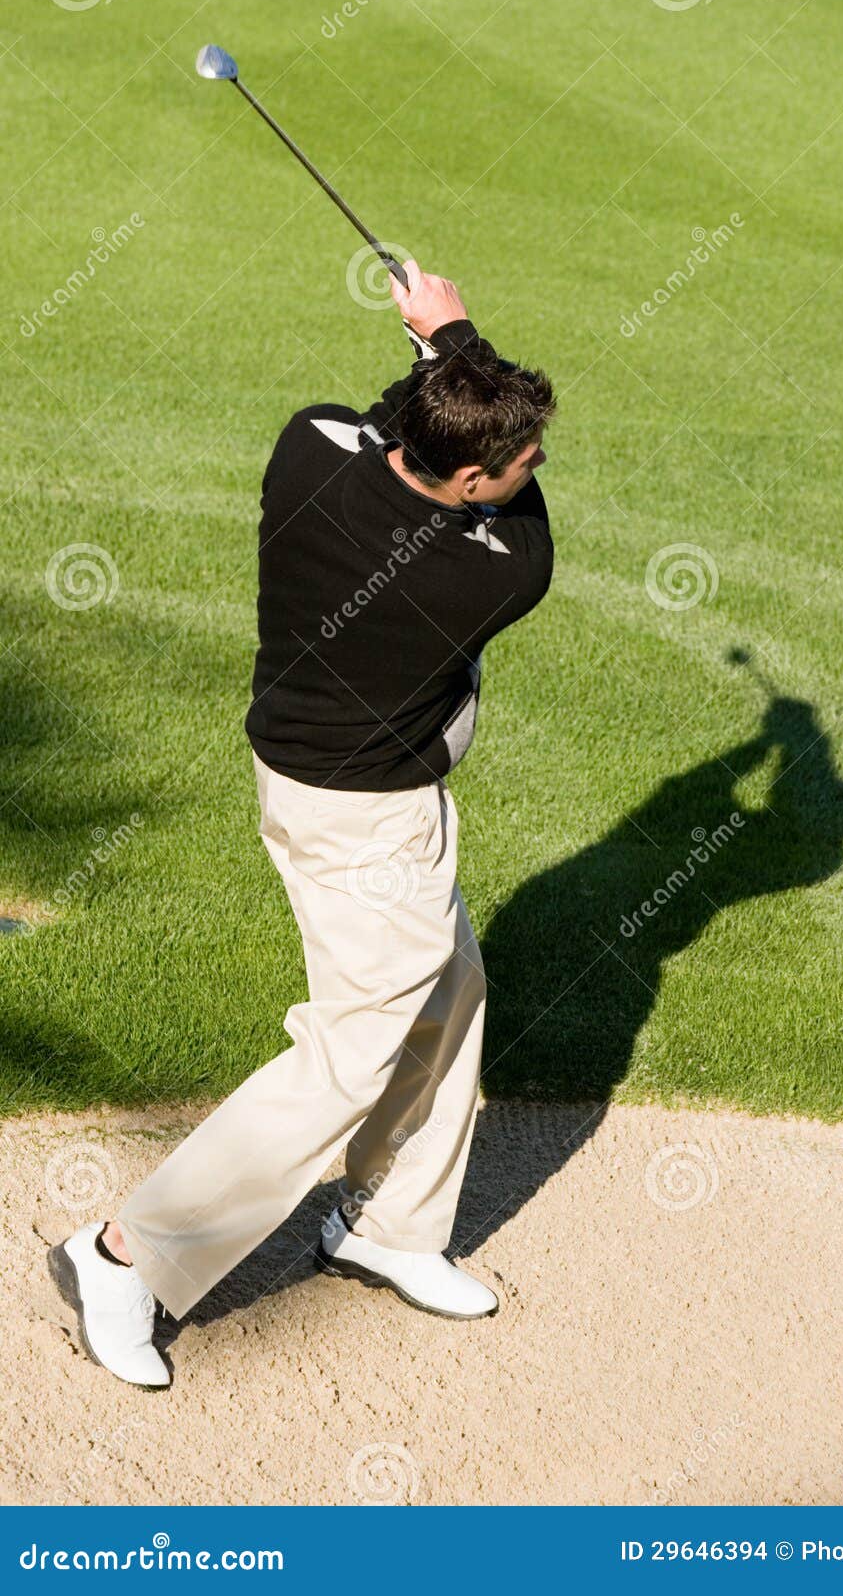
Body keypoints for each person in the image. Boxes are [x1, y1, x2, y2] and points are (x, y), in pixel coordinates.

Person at [49, 264, 556, 1388]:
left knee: (449, 989)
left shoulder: (307, 446)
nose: (538, 472)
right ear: (473, 476)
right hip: (368, 822)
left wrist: (443, 351)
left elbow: (382, 421)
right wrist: (453, 334)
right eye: (525, 460)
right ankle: (128, 1250)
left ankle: (390, 1222)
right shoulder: (500, 571)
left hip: (303, 772)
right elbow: (507, 509)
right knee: (347, 1056)